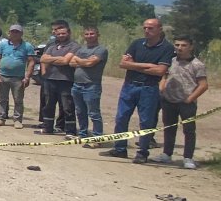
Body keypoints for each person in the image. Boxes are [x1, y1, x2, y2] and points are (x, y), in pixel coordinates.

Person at [101, 18, 175, 164]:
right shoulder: (136, 43)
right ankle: (120, 148)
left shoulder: (166, 48)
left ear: (159, 29)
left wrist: (133, 64)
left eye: (151, 28)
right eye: (145, 28)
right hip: (129, 85)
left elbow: (160, 70)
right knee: (121, 117)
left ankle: (142, 152)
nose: (147, 31)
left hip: (149, 88)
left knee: (146, 121)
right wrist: (147, 65)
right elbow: (123, 64)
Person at [151, 36, 208, 169]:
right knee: (169, 128)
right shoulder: (171, 61)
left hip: (186, 102)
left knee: (189, 130)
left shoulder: (197, 64)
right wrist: (162, 87)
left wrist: (190, 98)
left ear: (190, 47)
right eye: (177, 45)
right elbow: (164, 75)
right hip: (169, 100)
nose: (179, 48)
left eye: (183, 45)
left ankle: (188, 157)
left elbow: (203, 85)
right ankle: (167, 154)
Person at [39, 20, 79, 136]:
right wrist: (58, 59)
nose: (61, 35)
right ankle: (48, 128)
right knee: (48, 105)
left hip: (66, 79)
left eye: (63, 33)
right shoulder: (52, 46)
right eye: (59, 34)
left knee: (67, 106)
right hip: (50, 79)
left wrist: (51, 59)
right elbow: (42, 59)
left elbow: (66, 61)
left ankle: (70, 130)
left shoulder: (74, 46)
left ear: (69, 33)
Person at [69, 26, 109, 145]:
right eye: (87, 34)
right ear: (83, 36)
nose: (89, 36)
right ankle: (82, 134)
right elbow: (71, 63)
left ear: (98, 35)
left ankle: (97, 137)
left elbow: (90, 63)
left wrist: (78, 60)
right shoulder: (81, 49)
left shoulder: (101, 50)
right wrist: (83, 61)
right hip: (77, 85)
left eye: (92, 34)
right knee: (80, 111)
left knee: (94, 113)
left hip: (91, 85)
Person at [0, 25, 34, 128]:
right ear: (9, 33)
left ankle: (17, 120)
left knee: (18, 99)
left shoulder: (27, 46)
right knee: (1, 99)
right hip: (3, 76)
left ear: (21, 33)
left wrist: (27, 77)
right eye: (12, 32)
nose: (14, 34)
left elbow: (31, 62)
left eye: (17, 32)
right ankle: (1, 118)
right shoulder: (2, 45)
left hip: (18, 78)